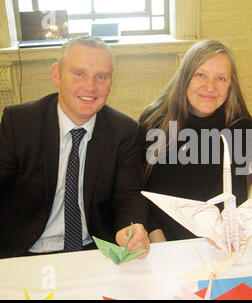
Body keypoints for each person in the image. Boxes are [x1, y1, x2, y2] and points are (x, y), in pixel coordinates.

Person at [0, 37, 150, 258]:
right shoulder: (19, 123)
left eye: (101, 76)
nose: (90, 86)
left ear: (111, 82)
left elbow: (128, 197)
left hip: (94, 251)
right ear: (57, 75)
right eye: (79, 74)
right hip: (25, 251)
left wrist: (133, 227)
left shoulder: (124, 131)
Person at [138, 39, 252, 242]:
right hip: (160, 241)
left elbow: (235, 200)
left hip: (215, 243)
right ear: (185, 78)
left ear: (231, 85)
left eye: (220, 78)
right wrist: (158, 240)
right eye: (200, 75)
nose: (210, 87)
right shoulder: (155, 121)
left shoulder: (240, 128)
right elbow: (140, 190)